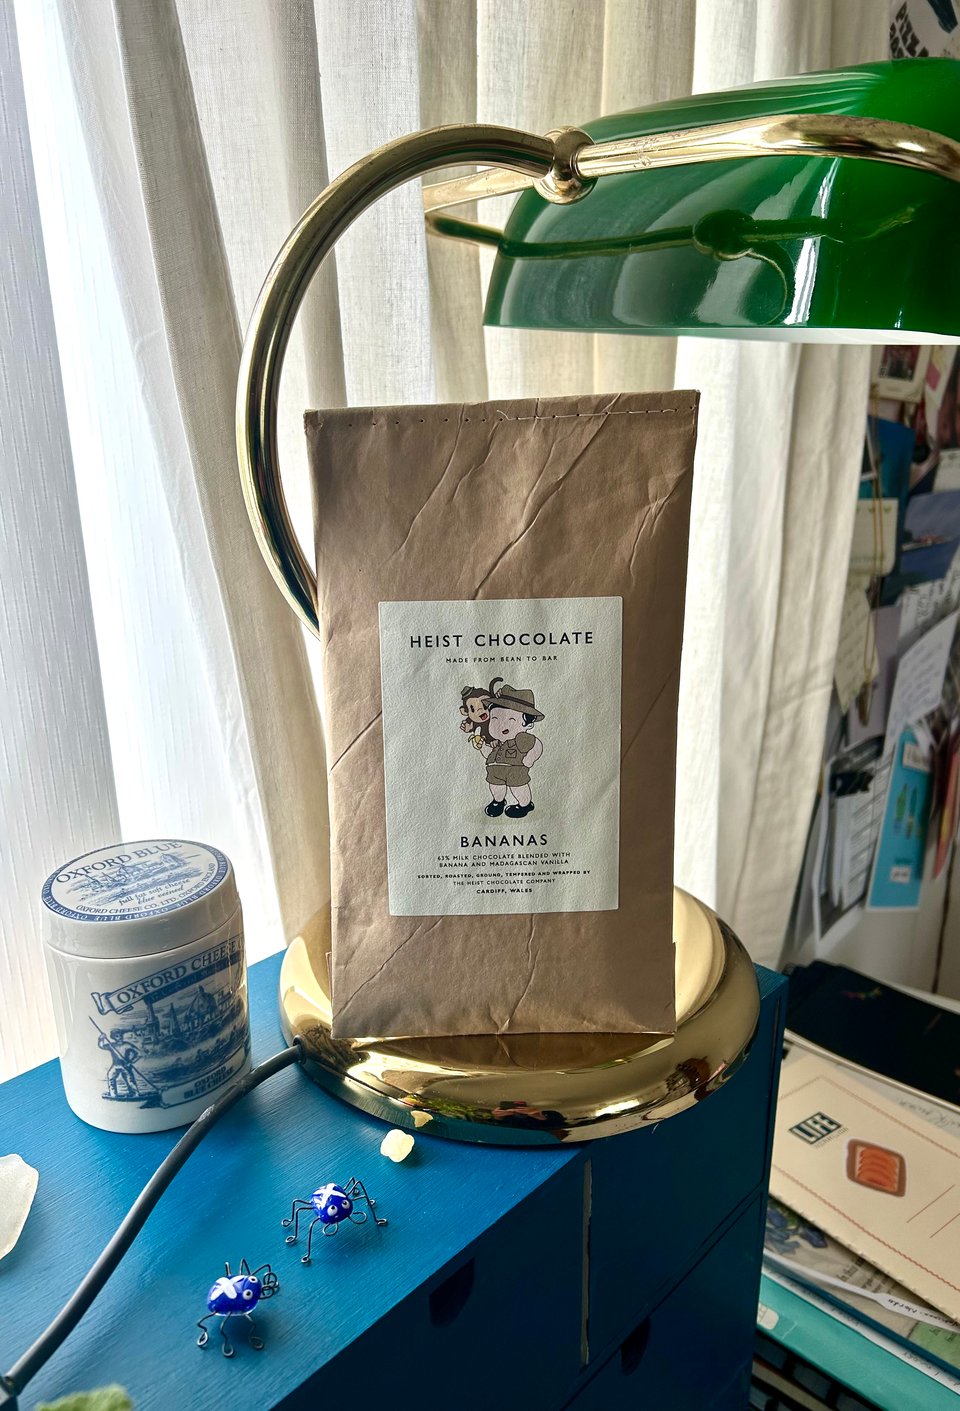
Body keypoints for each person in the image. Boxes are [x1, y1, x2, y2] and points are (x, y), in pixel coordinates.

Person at [479, 683, 544, 819]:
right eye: (495, 719)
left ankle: (525, 805)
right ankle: (498, 802)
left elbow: (537, 745)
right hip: (496, 771)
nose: (501, 724)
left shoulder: (521, 738)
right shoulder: (497, 743)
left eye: (511, 719)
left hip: (516, 771)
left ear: (527, 724)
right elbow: (489, 755)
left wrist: (530, 759)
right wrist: (482, 747)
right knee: (496, 786)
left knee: (518, 788)